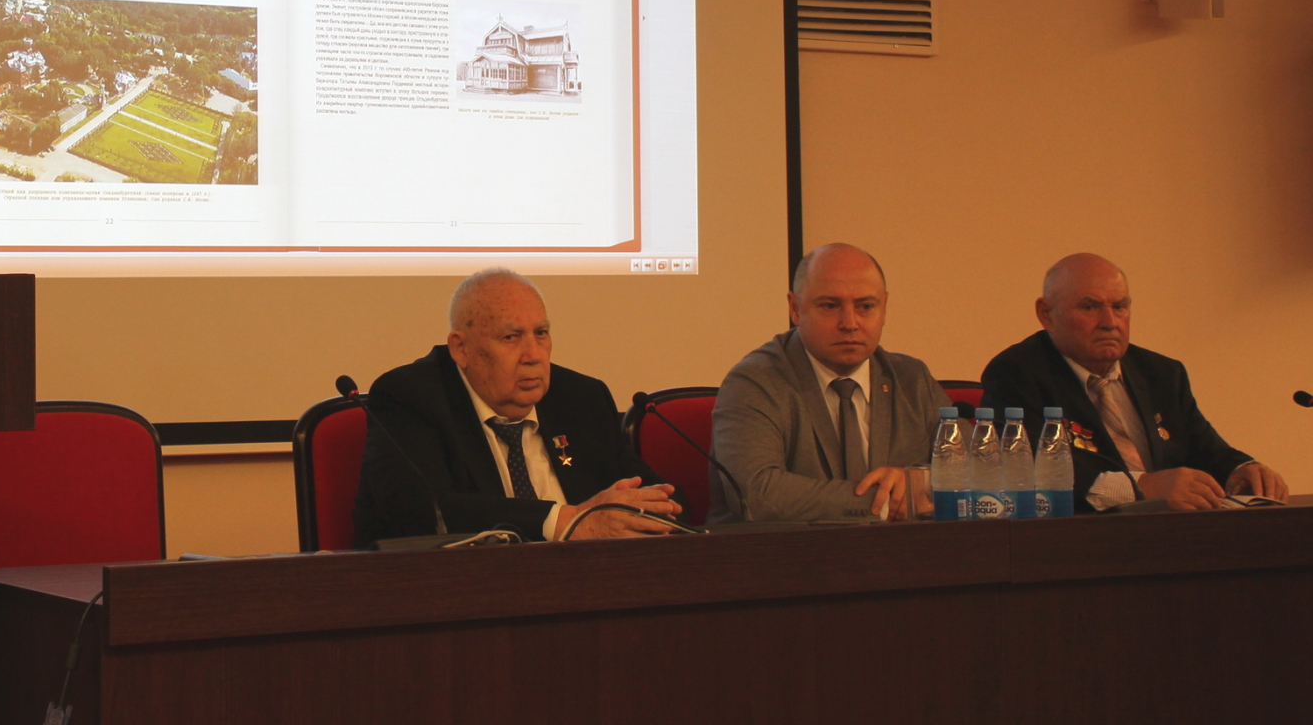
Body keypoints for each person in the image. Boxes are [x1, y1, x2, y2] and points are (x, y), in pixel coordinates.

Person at [351, 268, 680, 547]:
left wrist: (648, 510)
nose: (533, 355)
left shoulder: (582, 398)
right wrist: (564, 521)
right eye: (511, 337)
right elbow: (427, 513)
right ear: (461, 348)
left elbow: (665, 502)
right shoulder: (410, 397)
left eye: (541, 333)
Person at [980, 253, 1288, 512]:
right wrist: (1141, 487)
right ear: (1047, 313)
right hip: (1080, 539)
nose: (1109, 322)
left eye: (1119, 306)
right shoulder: (1016, 373)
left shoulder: (1161, 373)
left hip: (1175, 534)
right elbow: (1030, 468)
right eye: (1089, 307)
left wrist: (1242, 470)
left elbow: (1205, 448)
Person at [707, 243, 949, 523]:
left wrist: (921, 481)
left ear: (884, 308)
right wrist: (889, 500)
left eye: (866, 306)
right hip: (785, 549)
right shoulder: (755, 382)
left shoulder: (911, 378)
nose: (850, 323)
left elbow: (977, 469)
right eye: (830, 306)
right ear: (795, 309)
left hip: (901, 549)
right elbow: (757, 495)